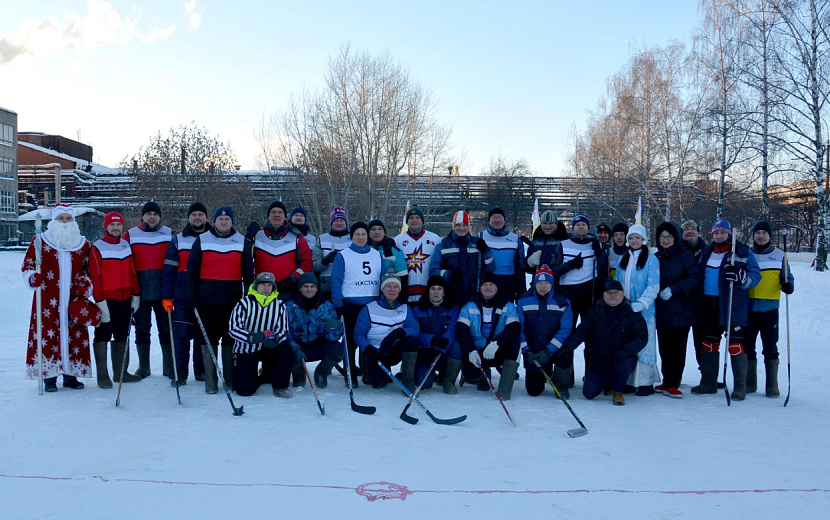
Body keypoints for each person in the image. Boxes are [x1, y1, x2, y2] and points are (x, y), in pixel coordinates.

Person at [21, 204, 94, 392]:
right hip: (48, 299)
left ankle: (71, 376)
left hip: (73, 300)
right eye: (60, 218)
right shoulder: (40, 241)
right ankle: (49, 377)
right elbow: (28, 265)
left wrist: (86, 283)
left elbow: (89, 269)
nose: (64, 222)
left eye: (68, 219)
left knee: (74, 335)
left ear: (74, 221)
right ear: (53, 221)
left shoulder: (84, 244)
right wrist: (32, 277)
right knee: (48, 335)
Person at [692, 218, 761, 401]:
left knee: (736, 345)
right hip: (710, 304)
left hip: (732, 304)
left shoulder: (741, 251)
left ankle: (740, 387)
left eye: (722, 232)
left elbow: (755, 275)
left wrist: (741, 277)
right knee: (709, 343)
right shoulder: (706, 252)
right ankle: (708, 383)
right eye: (716, 233)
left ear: (729, 233)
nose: (719, 235)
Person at [187, 206, 254, 393]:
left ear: (232, 222)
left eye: (227, 219)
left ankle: (230, 379)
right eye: (220, 219)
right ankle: (211, 381)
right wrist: (191, 297)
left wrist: (249, 298)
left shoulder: (242, 241)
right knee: (208, 339)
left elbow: (249, 273)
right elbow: (192, 271)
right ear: (214, 221)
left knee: (229, 339)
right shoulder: (202, 240)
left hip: (232, 299)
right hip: (206, 299)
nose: (223, 222)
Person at [557, 279, 649, 405]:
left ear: (622, 294)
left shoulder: (632, 313)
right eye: (609, 293)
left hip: (622, 358)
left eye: (616, 293)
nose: (613, 296)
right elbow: (581, 332)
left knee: (624, 363)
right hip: (600, 362)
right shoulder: (596, 311)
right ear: (604, 295)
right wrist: (567, 348)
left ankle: (617, 391)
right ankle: (606, 381)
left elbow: (642, 336)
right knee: (588, 393)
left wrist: (627, 350)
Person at [88, 211, 142, 388]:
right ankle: (103, 376)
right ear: (106, 226)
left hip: (125, 298)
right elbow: (95, 276)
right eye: (112, 225)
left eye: (118, 224)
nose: (116, 228)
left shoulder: (126, 245)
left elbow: (133, 272)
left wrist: (135, 294)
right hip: (107, 300)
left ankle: (121, 372)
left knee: (122, 335)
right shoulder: (98, 247)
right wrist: (100, 301)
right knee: (103, 335)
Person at [161, 202, 211, 386]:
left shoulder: (213, 238)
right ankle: (180, 374)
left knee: (202, 336)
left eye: (200, 214)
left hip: (205, 296)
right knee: (181, 336)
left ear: (206, 217)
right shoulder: (178, 239)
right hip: (182, 297)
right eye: (194, 214)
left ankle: (202, 371)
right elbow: (169, 269)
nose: (197, 217)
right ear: (189, 218)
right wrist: (167, 296)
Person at [124, 201, 174, 379]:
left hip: (163, 291)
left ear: (160, 217)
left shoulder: (170, 234)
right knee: (142, 329)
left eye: (155, 214)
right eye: (148, 214)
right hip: (141, 291)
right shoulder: (130, 235)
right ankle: (144, 366)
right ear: (142, 216)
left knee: (166, 329)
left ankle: (169, 367)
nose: (152, 217)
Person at [330, 221, 384, 386]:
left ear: (367, 236)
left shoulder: (376, 254)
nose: (360, 237)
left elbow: (382, 277)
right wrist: (338, 304)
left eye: (363, 234)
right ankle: (350, 374)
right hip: (351, 304)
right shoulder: (343, 255)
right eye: (357, 234)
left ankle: (367, 372)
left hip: (371, 305)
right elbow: (336, 281)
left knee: (367, 339)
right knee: (350, 342)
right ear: (351, 236)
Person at [745, 221, 794, 398]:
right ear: (753, 235)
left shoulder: (780, 255)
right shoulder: (746, 254)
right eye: (757, 233)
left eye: (764, 233)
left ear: (769, 236)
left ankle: (772, 385)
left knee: (770, 346)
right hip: (749, 308)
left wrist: (788, 285)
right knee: (747, 345)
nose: (760, 236)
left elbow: (788, 276)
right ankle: (750, 383)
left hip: (769, 309)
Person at [558, 211, 607, 386]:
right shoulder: (563, 245)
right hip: (568, 296)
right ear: (573, 227)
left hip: (589, 295)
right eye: (578, 224)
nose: (581, 227)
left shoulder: (595, 245)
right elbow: (553, 270)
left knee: (591, 338)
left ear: (588, 228)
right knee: (567, 336)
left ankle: (590, 376)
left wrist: (600, 254)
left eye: (584, 225)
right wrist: (569, 265)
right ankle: (566, 376)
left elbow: (603, 273)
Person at [227, 272, 294, 398]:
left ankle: (280, 386)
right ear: (256, 286)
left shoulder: (279, 305)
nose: (266, 288)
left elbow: (283, 329)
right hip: (247, 349)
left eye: (269, 285)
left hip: (268, 347)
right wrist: (250, 336)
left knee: (285, 348)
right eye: (263, 285)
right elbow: (233, 328)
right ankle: (256, 377)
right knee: (244, 391)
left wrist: (275, 339)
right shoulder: (244, 303)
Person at [654, 221, 701, 398]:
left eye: (669, 236)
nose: (666, 240)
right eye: (663, 237)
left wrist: (675, 289)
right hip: (661, 309)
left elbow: (694, 278)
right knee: (664, 346)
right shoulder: (657, 256)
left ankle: (673, 382)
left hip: (680, 309)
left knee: (677, 347)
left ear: (676, 238)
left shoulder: (684, 255)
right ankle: (667, 381)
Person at [457, 273, 521, 400]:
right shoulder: (470, 305)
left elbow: (514, 328)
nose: (488, 287)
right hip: (477, 351)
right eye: (484, 285)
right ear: (480, 287)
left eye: (491, 285)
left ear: (497, 287)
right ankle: (483, 375)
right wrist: (470, 350)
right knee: (471, 373)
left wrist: (497, 343)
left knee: (515, 343)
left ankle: (504, 389)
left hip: (497, 349)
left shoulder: (507, 305)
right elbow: (461, 330)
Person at [614, 224, 661, 396]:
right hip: (625, 309)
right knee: (626, 342)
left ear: (643, 239)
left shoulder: (651, 259)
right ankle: (628, 380)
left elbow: (653, 285)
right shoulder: (623, 259)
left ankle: (645, 383)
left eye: (637, 237)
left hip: (644, 311)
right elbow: (617, 281)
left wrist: (641, 303)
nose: (634, 241)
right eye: (631, 238)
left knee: (644, 343)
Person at [353, 270, 419, 391]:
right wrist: (367, 348)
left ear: (399, 290)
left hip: (394, 350)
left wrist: (403, 332)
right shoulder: (369, 308)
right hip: (376, 352)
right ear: (382, 289)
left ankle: (408, 381)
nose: (392, 290)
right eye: (388, 286)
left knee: (411, 342)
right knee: (377, 383)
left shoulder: (405, 308)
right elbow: (358, 334)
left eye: (395, 287)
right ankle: (370, 367)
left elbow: (415, 329)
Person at [517, 265, 573, 398]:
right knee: (533, 391)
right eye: (540, 283)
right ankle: (543, 371)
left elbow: (565, 329)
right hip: (533, 350)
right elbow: (519, 328)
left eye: (546, 283)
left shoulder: (562, 301)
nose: (543, 286)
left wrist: (548, 351)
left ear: (552, 284)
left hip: (554, 349)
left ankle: (561, 385)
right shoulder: (523, 300)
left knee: (566, 353)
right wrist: (527, 351)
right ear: (535, 283)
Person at [285, 272, 344, 389]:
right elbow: (285, 332)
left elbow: (334, 337)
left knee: (338, 349)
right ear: (300, 288)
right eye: (305, 286)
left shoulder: (326, 305)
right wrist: (295, 349)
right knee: (285, 349)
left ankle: (322, 371)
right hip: (299, 347)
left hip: (318, 344)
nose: (309, 289)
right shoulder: (290, 306)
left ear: (317, 288)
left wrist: (335, 327)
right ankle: (298, 372)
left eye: (312, 286)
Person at [249, 201, 313, 302]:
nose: (276, 215)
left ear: (285, 217)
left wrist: (292, 279)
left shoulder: (296, 237)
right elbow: (244, 258)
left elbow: (307, 263)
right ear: (268, 216)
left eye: (280, 212)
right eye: (273, 212)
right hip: (262, 290)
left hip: (288, 291)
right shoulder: (257, 235)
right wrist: (248, 238)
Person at [410, 275, 463, 394]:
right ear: (428, 291)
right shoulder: (417, 310)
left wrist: (443, 342)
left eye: (439, 289)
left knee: (457, 346)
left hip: (444, 351)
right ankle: (429, 374)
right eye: (433, 288)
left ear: (444, 292)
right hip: (425, 352)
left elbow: (453, 329)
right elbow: (414, 332)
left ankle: (448, 381)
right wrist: (431, 340)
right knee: (424, 384)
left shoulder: (453, 309)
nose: (436, 292)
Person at [430, 210, 495, 306]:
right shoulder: (443, 245)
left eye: (464, 225)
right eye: (458, 225)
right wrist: (449, 274)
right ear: (453, 226)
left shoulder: (477, 244)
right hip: (450, 296)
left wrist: (486, 251)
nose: (461, 228)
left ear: (468, 226)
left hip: (474, 296)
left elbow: (491, 268)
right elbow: (433, 271)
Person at [476, 207, 525, 303]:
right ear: (489, 221)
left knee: (506, 312)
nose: (497, 220)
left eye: (500, 217)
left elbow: (520, 266)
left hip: (508, 282)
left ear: (504, 220)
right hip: (487, 282)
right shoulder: (480, 237)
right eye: (494, 217)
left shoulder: (515, 239)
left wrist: (520, 289)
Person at [394, 207, 441, 304]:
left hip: (429, 294)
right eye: (411, 217)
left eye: (417, 217)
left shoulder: (435, 239)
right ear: (407, 221)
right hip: (405, 295)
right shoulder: (398, 240)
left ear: (422, 220)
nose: (414, 220)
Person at [681, 219, 707, 371]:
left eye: (692, 228)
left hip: (701, 304)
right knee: (678, 344)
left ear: (698, 232)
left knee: (702, 341)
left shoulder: (707, 251)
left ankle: (706, 376)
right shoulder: (677, 251)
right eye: (686, 229)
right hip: (681, 304)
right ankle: (674, 378)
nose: (689, 231)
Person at [314, 205, 352, 298]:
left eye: (342, 220)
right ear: (331, 223)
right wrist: (325, 261)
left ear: (346, 223)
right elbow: (313, 265)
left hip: (348, 282)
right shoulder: (322, 239)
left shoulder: (353, 238)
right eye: (335, 220)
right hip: (327, 284)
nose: (339, 223)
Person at [368, 218, 409, 301]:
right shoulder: (362, 250)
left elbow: (403, 278)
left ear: (384, 232)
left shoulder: (394, 251)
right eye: (373, 229)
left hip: (388, 297)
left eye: (380, 229)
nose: (377, 232)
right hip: (367, 293)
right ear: (368, 233)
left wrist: (402, 300)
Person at [524, 210, 568, 281]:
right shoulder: (535, 242)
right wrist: (530, 262)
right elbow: (527, 268)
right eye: (544, 223)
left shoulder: (565, 241)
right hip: (539, 284)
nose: (547, 226)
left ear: (556, 224)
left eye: (551, 223)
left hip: (559, 284)